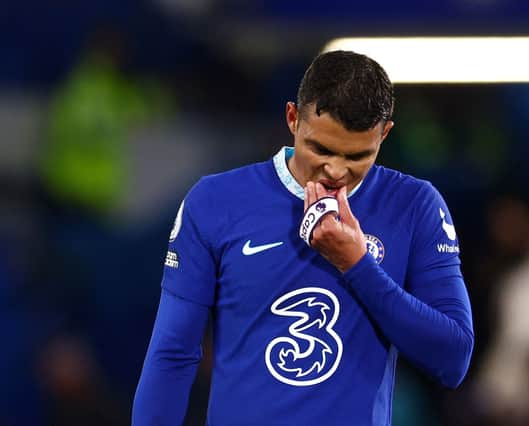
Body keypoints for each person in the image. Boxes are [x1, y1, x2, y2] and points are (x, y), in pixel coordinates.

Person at [132, 50, 474, 425]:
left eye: (358, 155)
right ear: (292, 118)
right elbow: (173, 352)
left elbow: (452, 359)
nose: (336, 170)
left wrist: (358, 266)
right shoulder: (215, 201)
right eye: (321, 149)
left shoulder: (414, 205)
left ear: (384, 133)